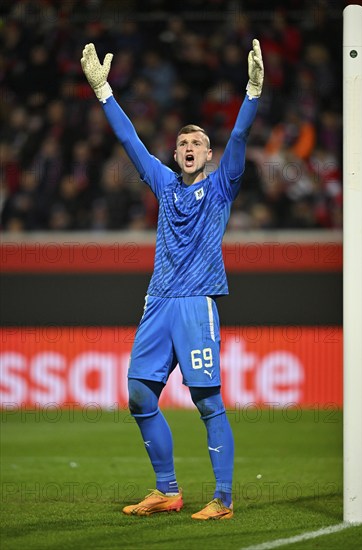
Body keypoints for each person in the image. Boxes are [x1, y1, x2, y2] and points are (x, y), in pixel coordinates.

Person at [81, 38, 263, 520]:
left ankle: (222, 499)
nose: (187, 147)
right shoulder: (163, 183)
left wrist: (252, 93)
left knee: (205, 399)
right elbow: (130, 143)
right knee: (139, 392)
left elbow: (240, 140)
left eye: (196, 143)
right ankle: (167, 490)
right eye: (182, 142)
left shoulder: (222, 186)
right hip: (158, 301)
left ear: (207, 155)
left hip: (194, 302)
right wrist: (103, 92)